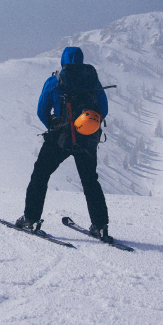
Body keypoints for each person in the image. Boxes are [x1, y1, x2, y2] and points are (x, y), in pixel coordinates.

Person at [15, 46, 112, 240]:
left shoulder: (55, 81)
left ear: (63, 60)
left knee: (40, 176)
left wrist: (54, 124)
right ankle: (100, 226)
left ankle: (31, 218)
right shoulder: (94, 82)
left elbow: (41, 111)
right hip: (87, 141)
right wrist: (86, 128)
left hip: (60, 139)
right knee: (90, 181)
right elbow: (104, 110)